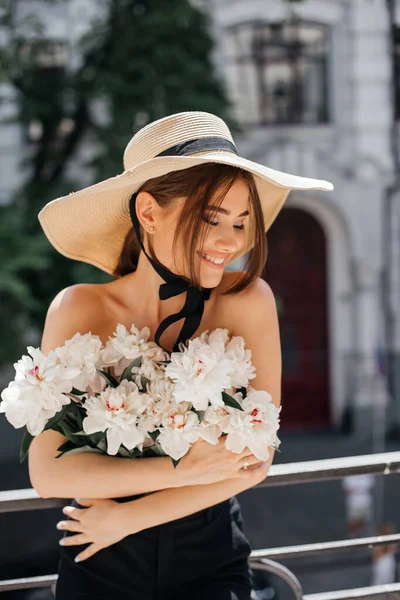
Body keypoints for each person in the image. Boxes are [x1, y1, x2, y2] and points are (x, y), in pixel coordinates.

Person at [29, 111, 333, 600]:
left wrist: (128, 516)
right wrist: (187, 469)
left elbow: (256, 458)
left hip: (207, 557)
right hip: (97, 556)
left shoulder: (249, 301)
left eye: (241, 222)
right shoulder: (78, 308)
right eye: (212, 219)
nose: (232, 242)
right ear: (149, 213)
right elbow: (48, 473)